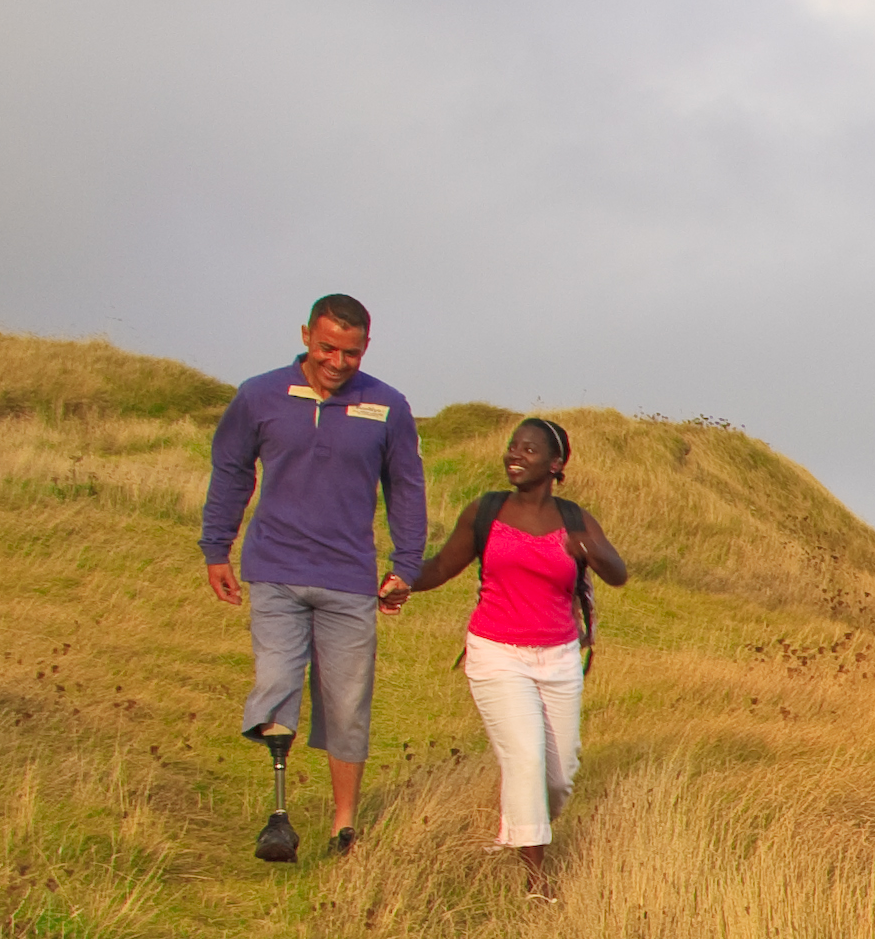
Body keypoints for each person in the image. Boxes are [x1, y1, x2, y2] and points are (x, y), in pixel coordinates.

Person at [202, 294, 426, 856]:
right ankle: (279, 818)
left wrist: (406, 566)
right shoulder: (260, 395)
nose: (337, 361)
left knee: (347, 703)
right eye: (327, 347)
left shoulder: (388, 406)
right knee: (277, 683)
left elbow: (407, 488)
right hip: (275, 568)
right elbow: (231, 470)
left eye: (350, 352)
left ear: (366, 347)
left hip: (349, 580)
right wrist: (216, 548)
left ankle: (343, 827)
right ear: (305, 335)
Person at [400, 415, 628, 900]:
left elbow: (618, 573)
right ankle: (536, 881)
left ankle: (522, 826)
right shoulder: (484, 511)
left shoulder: (574, 519)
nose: (515, 456)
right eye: (512, 447)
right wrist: (403, 580)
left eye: (528, 450)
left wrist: (585, 547)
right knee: (525, 756)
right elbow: (442, 565)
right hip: (496, 652)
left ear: (555, 463)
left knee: (559, 774)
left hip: (559, 658)